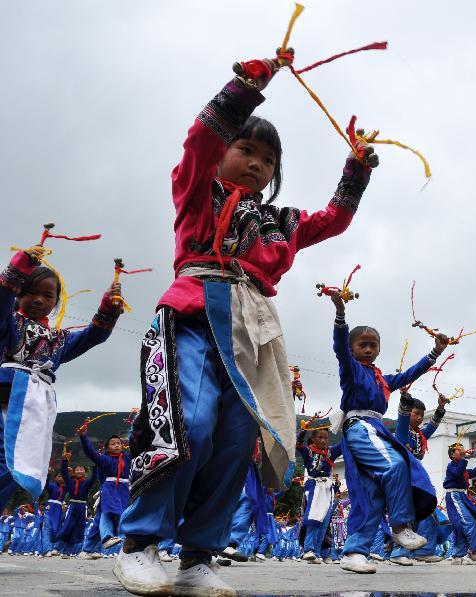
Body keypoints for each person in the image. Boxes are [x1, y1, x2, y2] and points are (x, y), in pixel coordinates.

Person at [114, 47, 379, 597]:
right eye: (245, 149)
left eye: (268, 159)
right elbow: (199, 141)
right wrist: (243, 91)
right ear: (224, 153)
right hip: (191, 315)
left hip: (254, 332)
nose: (256, 163)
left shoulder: (282, 222)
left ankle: (199, 556)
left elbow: (335, 219)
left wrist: (357, 166)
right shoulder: (196, 192)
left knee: (237, 440)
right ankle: (141, 543)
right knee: (191, 422)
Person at [327, 292, 447, 573]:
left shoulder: (382, 378)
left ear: (379, 349)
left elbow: (410, 375)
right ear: (352, 347)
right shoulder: (352, 370)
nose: (368, 349)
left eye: (373, 345)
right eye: (362, 345)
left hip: (376, 428)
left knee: (373, 496)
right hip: (360, 427)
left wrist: (436, 352)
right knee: (396, 465)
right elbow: (339, 350)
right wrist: (340, 316)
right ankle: (402, 525)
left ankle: (354, 552)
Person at [0, 249, 122, 509]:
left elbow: (93, 336)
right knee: (4, 459)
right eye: (31, 292)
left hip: (35, 410)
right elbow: (2, 300)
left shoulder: (59, 340)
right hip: (6, 399)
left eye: (47, 295)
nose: (38, 300)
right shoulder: (9, 323)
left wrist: (108, 309)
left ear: (56, 301)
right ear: (19, 293)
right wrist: (18, 268)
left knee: (17, 469)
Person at [390, 391, 450, 564]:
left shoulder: (420, 435)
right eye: (416, 414)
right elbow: (402, 419)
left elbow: (431, 426)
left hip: (418, 477)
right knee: (405, 514)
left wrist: (440, 408)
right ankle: (398, 552)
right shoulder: (402, 432)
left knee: (428, 513)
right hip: (404, 476)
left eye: (421, 415)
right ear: (408, 413)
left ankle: (424, 551)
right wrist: (405, 400)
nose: (419, 418)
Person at [296, 424, 342, 563]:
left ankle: (316, 552)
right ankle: (308, 549)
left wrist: (344, 426)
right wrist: (304, 430)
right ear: (313, 438)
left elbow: (343, 444)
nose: (323, 440)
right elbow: (298, 443)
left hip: (327, 487)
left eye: (326, 438)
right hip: (314, 485)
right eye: (320, 437)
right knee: (314, 518)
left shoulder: (331, 452)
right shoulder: (307, 451)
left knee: (325, 522)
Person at [79, 432, 130, 549]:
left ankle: (87, 550)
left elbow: (139, 448)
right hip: (110, 489)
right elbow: (91, 453)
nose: (116, 445)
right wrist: (83, 437)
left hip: (123, 490)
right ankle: (107, 538)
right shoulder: (104, 459)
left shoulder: (128, 458)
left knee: (103, 518)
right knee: (109, 512)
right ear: (107, 447)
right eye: (113, 444)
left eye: (118, 443)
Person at [443, 444, 476, 565]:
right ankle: (473, 552)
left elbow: (473, 472)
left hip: (461, 496)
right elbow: (458, 472)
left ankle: (460, 554)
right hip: (454, 495)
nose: (463, 450)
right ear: (452, 454)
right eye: (459, 449)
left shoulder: (461, 467)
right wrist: (464, 459)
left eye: (462, 448)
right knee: (467, 523)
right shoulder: (451, 467)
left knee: (473, 521)